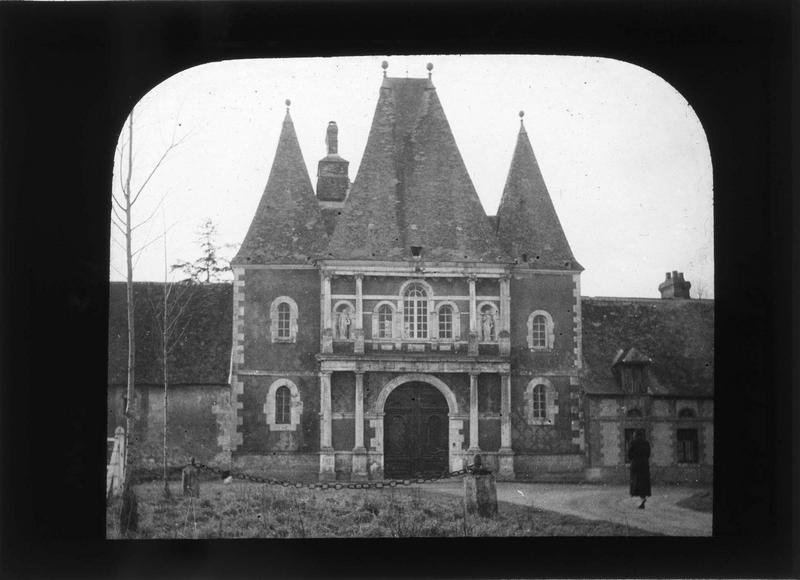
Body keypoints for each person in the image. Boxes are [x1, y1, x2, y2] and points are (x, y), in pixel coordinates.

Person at [628, 430, 651, 509]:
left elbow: (629, 455)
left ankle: (641, 500)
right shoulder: (646, 443)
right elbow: (648, 454)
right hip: (644, 465)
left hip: (636, 465)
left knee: (636, 482)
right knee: (644, 483)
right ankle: (643, 499)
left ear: (636, 435)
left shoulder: (633, 443)